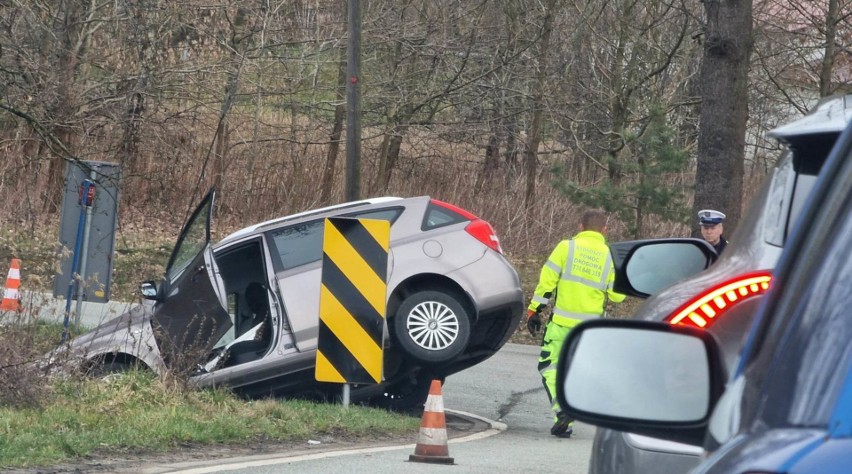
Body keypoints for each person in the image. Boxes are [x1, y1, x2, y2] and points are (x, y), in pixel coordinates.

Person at [525, 209, 626, 438]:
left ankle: (562, 411)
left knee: (550, 368)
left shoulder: (566, 247)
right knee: (578, 372)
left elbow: (546, 282)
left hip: (560, 325)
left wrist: (534, 310)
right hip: (590, 331)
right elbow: (618, 296)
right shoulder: (611, 256)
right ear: (604, 230)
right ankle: (568, 417)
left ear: (580, 227)